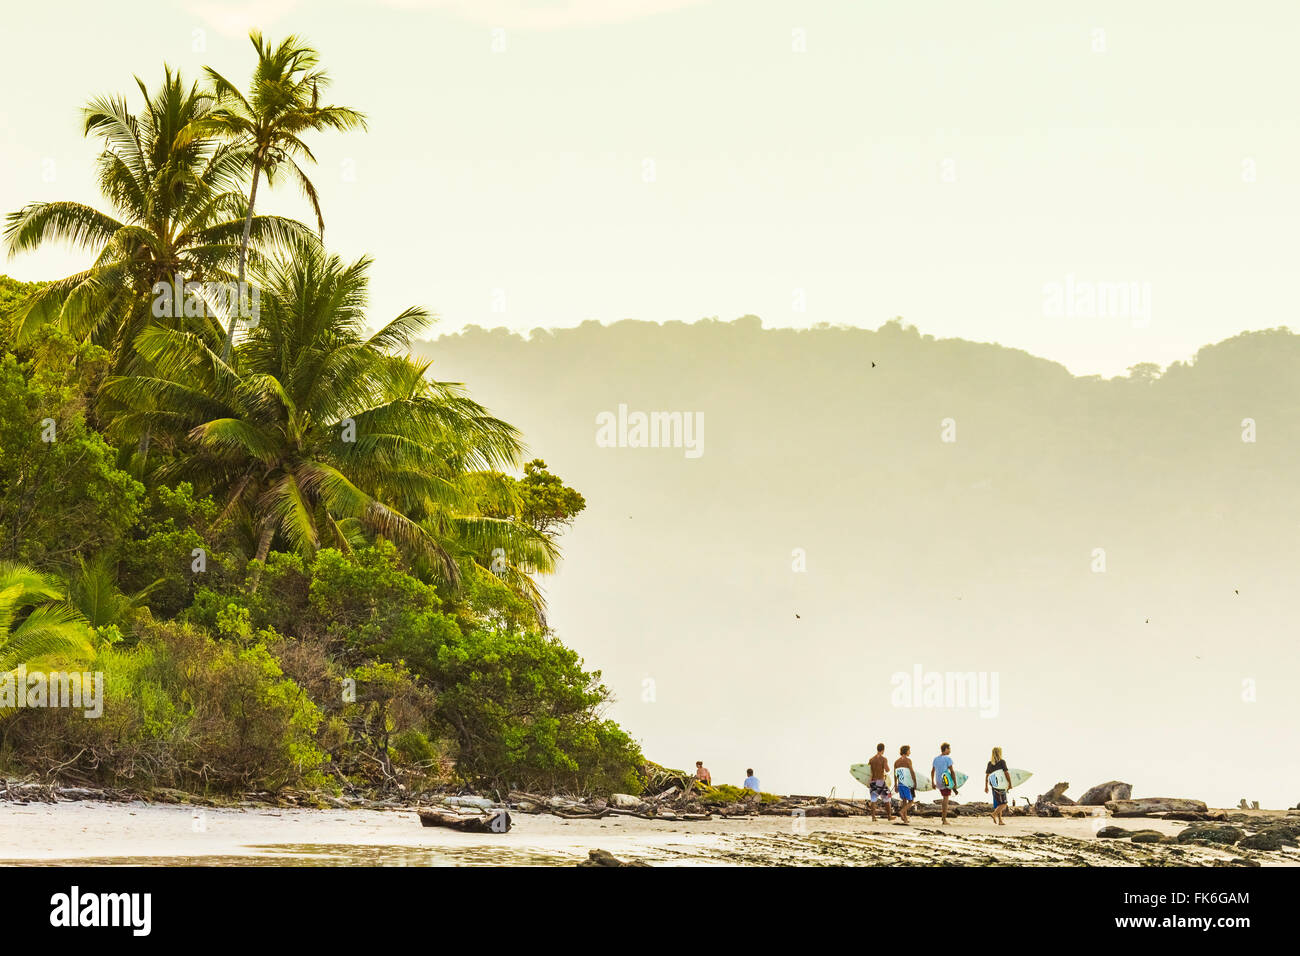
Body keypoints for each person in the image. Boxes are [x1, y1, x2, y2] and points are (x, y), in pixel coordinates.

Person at [985, 746, 1012, 825]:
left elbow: (987, 776)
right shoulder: (1002, 762)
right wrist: (1010, 783)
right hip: (1001, 784)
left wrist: (986, 786)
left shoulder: (990, 763)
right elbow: (1006, 773)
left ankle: (1000, 821)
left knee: (998, 803)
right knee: (1004, 803)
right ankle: (994, 814)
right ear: (999, 753)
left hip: (993, 785)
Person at [865, 743, 892, 822]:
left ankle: (873, 817)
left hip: (873, 781)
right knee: (887, 798)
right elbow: (887, 770)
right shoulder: (884, 759)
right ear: (883, 750)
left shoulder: (871, 759)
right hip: (880, 781)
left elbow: (868, 771)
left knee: (873, 799)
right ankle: (889, 816)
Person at [931, 742, 957, 825]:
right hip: (945, 780)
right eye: (949, 749)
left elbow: (932, 771)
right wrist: (955, 783)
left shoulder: (936, 759)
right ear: (945, 749)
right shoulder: (947, 758)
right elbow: (952, 771)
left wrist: (933, 782)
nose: (950, 750)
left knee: (944, 797)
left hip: (938, 781)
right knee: (946, 799)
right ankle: (944, 819)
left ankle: (943, 818)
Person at [893, 745, 917, 824]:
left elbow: (895, 774)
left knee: (904, 801)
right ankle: (902, 812)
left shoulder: (896, 762)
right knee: (911, 801)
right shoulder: (908, 760)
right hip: (907, 784)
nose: (910, 752)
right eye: (909, 750)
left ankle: (905, 819)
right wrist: (915, 782)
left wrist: (896, 785)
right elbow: (912, 772)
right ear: (906, 751)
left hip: (900, 784)